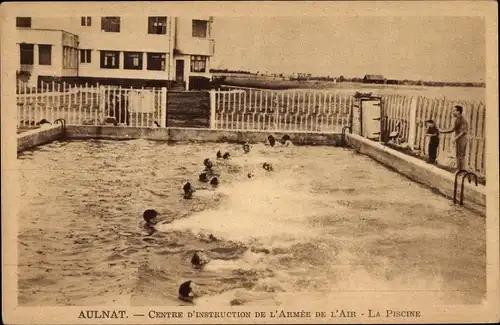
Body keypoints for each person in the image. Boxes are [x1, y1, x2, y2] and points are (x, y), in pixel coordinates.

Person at [440, 105, 469, 171]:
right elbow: (452, 129)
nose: (453, 112)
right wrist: (442, 131)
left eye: (454, 111)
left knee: (461, 155)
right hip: (459, 139)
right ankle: (459, 169)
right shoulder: (457, 119)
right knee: (458, 154)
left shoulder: (463, 120)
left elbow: (464, 131)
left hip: (462, 139)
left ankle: (460, 170)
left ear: (458, 111)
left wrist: (456, 137)